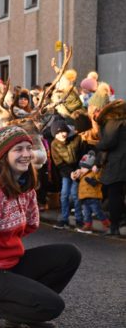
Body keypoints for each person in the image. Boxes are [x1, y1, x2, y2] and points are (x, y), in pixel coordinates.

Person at [0, 125, 82, 328]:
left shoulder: (24, 185)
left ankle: (22, 313)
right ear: (3, 156)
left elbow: (31, 224)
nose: (26, 154)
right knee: (53, 306)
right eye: (18, 150)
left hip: (9, 263)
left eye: (28, 148)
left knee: (70, 254)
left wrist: (4, 240)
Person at [95, 100, 126, 236]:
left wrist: (98, 145)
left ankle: (114, 227)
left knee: (114, 195)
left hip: (117, 164)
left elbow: (108, 143)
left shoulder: (114, 122)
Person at [51, 120, 85, 230]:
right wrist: (70, 173)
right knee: (64, 195)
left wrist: (80, 169)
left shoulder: (76, 138)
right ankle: (64, 219)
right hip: (66, 172)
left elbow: (83, 154)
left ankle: (79, 220)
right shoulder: (54, 144)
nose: (62, 135)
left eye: (63, 131)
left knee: (75, 195)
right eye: (58, 133)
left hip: (78, 170)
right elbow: (59, 163)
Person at [72, 151, 111, 234]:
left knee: (98, 212)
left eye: (84, 167)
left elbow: (98, 179)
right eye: (81, 167)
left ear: (90, 167)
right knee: (86, 213)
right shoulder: (82, 175)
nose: (82, 169)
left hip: (93, 197)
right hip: (84, 197)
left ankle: (107, 224)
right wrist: (75, 176)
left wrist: (95, 172)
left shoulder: (94, 172)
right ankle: (88, 226)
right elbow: (80, 183)